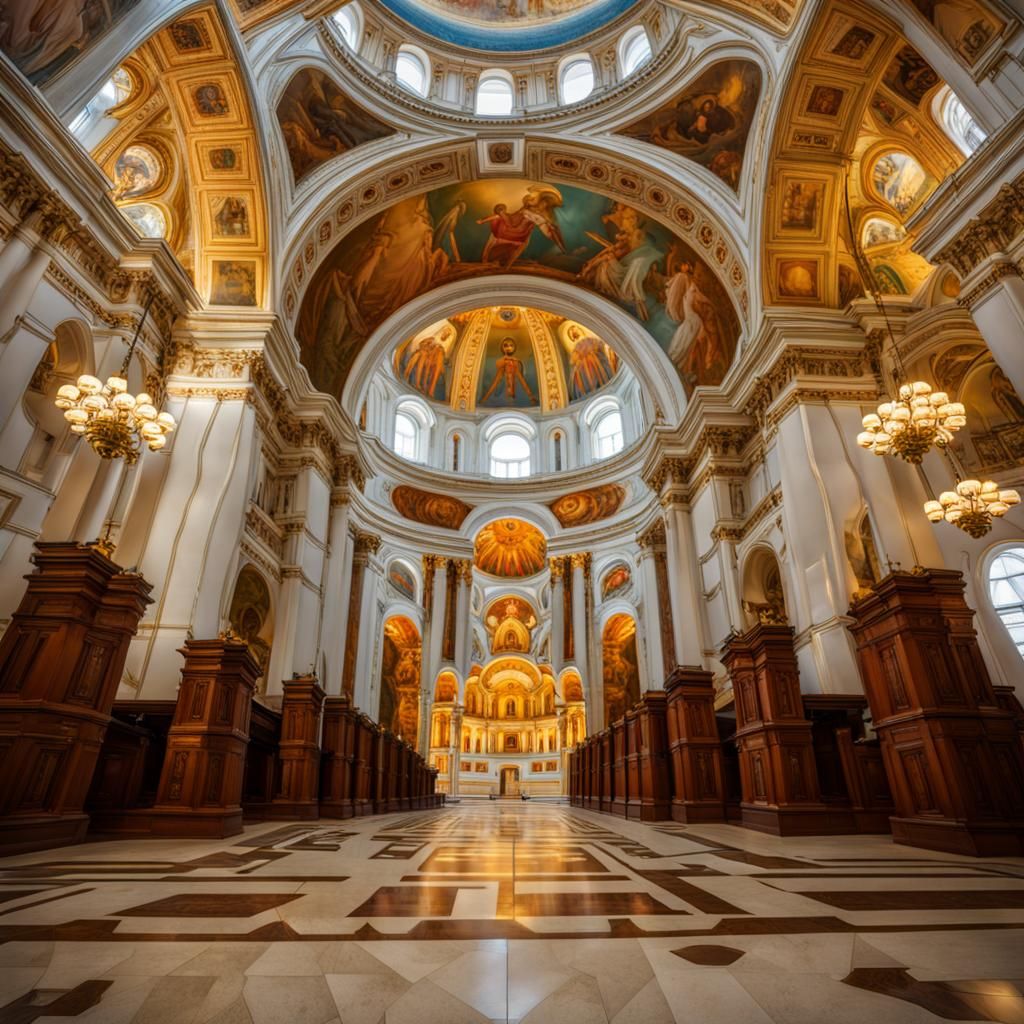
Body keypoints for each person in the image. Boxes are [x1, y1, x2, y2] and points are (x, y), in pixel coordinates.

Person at [480, 337, 535, 404]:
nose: (508, 348)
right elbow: (497, 379)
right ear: (502, 348)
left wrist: (530, 396)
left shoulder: (516, 362)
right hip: (503, 394)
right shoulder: (501, 362)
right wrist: (486, 398)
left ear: (514, 348)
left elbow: (521, 379)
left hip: (515, 393)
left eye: (511, 345)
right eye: (506, 345)